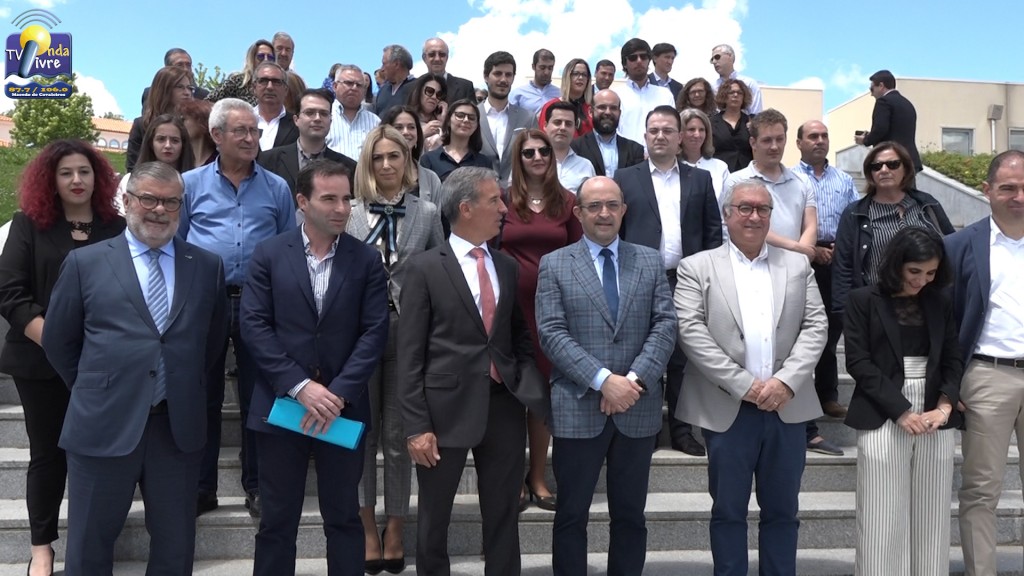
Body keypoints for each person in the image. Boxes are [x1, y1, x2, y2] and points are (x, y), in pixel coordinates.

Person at [42, 161, 227, 576]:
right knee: (89, 548)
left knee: (175, 549)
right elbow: (59, 341)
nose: (160, 210)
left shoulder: (207, 266)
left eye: (171, 202)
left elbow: (211, 344)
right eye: (148, 199)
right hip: (102, 425)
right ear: (126, 202)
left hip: (176, 430)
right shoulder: (85, 263)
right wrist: (97, 387)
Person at [397, 167, 549, 576]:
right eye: (494, 200)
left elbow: (518, 336)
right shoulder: (425, 268)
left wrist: (524, 383)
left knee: (504, 514)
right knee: (434, 518)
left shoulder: (506, 266)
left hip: (503, 407)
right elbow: (409, 356)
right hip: (442, 413)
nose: (503, 209)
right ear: (465, 208)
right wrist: (416, 426)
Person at [242, 160, 390, 576]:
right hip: (281, 406)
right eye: (329, 199)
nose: (341, 208)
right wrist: (300, 386)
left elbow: (374, 332)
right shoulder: (269, 254)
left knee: (344, 518)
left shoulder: (366, 259)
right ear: (302, 202)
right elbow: (254, 325)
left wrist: (337, 393)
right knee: (276, 520)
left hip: (342, 410)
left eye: (346, 199)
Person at [675, 179, 827, 576]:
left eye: (762, 209)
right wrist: (744, 385)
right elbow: (691, 332)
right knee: (728, 511)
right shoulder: (697, 267)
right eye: (744, 208)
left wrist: (786, 382)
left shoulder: (797, 265)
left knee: (783, 511)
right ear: (727, 215)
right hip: (728, 409)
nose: (754, 216)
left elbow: (816, 327)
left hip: (786, 408)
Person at [536, 176, 676, 576]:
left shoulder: (648, 260)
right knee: (571, 514)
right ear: (578, 213)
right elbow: (551, 333)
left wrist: (633, 381)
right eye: (594, 206)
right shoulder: (555, 264)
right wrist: (603, 380)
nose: (604, 213)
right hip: (579, 405)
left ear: (624, 210)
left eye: (612, 205)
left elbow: (665, 325)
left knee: (630, 515)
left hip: (637, 404)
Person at [0, 140, 126, 576]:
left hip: (102, 365)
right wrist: (58, 344)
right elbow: (10, 293)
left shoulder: (117, 228)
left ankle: (93, 541)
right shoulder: (28, 225)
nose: (76, 180)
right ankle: (42, 547)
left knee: (100, 456)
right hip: (39, 363)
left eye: (84, 172)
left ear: (99, 178)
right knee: (48, 454)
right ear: (50, 180)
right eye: (66, 172)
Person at [180, 98, 297, 518]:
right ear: (217, 135)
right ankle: (200, 488)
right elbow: (176, 244)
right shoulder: (189, 185)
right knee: (203, 396)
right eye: (241, 131)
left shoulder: (276, 187)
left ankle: (258, 486)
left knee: (259, 397)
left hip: (259, 302)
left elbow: (288, 248)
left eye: (255, 131)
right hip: (203, 301)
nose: (251, 138)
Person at [345, 126, 444, 573]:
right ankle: (367, 526)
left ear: (408, 161)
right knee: (362, 435)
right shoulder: (349, 212)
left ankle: (397, 525)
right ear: (367, 163)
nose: (386, 165)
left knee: (400, 436)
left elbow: (440, 269)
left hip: (409, 332)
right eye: (378, 157)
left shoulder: (427, 212)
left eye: (395, 156)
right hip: (359, 335)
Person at [843, 227, 962, 576]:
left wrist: (945, 406)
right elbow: (858, 362)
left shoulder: (940, 301)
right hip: (882, 407)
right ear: (896, 264)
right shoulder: (862, 299)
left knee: (933, 513)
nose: (922, 281)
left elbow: (953, 357)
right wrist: (901, 411)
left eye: (931, 273)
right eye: (915, 271)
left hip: (935, 411)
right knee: (880, 513)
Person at [615, 105, 722, 456]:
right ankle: (644, 428)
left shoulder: (700, 179)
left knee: (680, 358)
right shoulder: (625, 178)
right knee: (642, 353)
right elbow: (617, 230)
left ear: (680, 137)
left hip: (685, 280)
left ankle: (681, 431)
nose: (660, 136)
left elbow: (712, 233)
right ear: (645, 136)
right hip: (638, 279)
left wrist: (708, 277)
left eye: (667, 130)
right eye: (654, 130)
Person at [946, 150, 1024, 576]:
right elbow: (943, 320)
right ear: (987, 191)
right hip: (987, 376)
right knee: (981, 489)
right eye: (1008, 188)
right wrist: (949, 384)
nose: (1019, 197)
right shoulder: (958, 246)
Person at [499, 129, 582, 511]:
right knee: (512, 394)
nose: (537, 157)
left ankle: (537, 476)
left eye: (543, 151)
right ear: (518, 158)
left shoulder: (567, 202)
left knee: (542, 394)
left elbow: (580, 253)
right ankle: (513, 476)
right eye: (529, 152)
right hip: (508, 309)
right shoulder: (503, 200)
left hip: (551, 310)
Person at [832, 141, 954, 318]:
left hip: (928, 305)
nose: (884, 170)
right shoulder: (855, 213)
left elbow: (952, 246)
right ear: (870, 173)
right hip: (877, 309)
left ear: (906, 169)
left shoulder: (927, 204)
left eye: (893, 164)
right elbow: (843, 267)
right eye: (876, 166)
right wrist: (843, 314)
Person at [794, 120, 859, 420]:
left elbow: (855, 218)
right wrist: (811, 250)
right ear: (799, 143)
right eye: (812, 136)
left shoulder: (844, 180)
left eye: (824, 136)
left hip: (837, 259)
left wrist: (840, 250)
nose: (819, 141)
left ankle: (828, 396)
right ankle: (799, 393)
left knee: (830, 330)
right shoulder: (790, 178)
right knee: (799, 329)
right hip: (798, 257)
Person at [258, 89, 358, 197]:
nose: (317, 118)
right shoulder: (269, 160)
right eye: (310, 113)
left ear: (330, 121)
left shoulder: (348, 167)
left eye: (324, 114)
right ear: (296, 119)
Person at [478, 51, 537, 185]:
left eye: (508, 75)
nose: (503, 80)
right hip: (479, 191)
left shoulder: (528, 118)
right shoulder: (472, 116)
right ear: (486, 76)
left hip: (518, 191)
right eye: (498, 73)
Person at [117, 114, 196, 213]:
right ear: (151, 143)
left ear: (183, 145)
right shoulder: (128, 181)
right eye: (161, 139)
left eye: (175, 141)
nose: (168, 145)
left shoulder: (195, 184)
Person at [127, 65, 194, 172]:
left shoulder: (193, 125)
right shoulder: (141, 124)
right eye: (180, 87)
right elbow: (132, 167)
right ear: (164, 89)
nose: (187, 93)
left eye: (189, 88)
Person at [855, 70, 923, 173]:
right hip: (910, 160)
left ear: (881, 86)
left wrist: (865, 140)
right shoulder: (907, 104)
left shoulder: (883, 102)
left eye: (872, 88)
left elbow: (880, 129)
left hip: (892, 161)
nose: (871, 94)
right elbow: (897, 131)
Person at [570, 89, 645, 178]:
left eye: (613, 108)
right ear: (590, 111)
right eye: (602, 107)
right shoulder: (576, 147)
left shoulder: (635, 150)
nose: (608, 112)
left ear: (619, 113)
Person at [419, 99, 495, 185]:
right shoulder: (429, 159)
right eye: (460, 115)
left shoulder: (484, 162)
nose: (466, 120)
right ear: (448, 120)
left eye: (471, 118)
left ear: (476, 125)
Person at [615, 38, 675, 146]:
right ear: (625, 64)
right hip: (625, 155)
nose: (639, 61)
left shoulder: (665, 95)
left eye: (643, 57)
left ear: (649, 60)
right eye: (633, 58)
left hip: (659, 154)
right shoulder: (616, 95)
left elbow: (672, 128)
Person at [379, 105, 444, 203]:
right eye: (398, 127)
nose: (406, 132)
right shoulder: (376, 172)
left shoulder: (431, 179)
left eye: (411, 127)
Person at [327, 64, 381, 160]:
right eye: (349, 83)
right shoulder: (323, 117)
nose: (354, 88)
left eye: (359, 85)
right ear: (335, 86)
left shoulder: (375, 122)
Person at [543, 102, 595, 193]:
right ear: (545, 126)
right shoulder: (533, 161)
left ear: (575, 128)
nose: (563, 128)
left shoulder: (585, 166)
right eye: (557, 122)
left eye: (568, 124)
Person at [679, 107, 730, 200]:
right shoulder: (672, 167)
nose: (697, 135)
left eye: (702, 130)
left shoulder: (720, 167)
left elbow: (727, 203)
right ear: (679, 134)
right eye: (691, 129)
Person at [206, 39, 275, 106]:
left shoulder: (276, 86)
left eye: (270, 57)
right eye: (261, 56)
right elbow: (208, 102)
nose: (266, 60)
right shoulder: (237, 81)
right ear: (252, 59)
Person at [538, 58, 594, 138]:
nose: (580, 78)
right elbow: (542, 137)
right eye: (576, 74)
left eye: (584, 75)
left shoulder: (592, 108)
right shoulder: (551, 106)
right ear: (567, 76)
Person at [252, 61, 299, 151]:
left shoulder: (297, 125)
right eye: (263, 81)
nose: (270, 87)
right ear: (254, 88)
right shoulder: (241, 121)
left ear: (285, 90)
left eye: (276, 82)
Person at [140, 48, 209, 107]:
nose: (185, 69)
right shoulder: (151, 94)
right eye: (179, 65)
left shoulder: (203, 95)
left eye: (188, 65)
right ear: (168, 68)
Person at [710, 78, 753, 172]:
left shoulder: (752, 122)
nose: (735, 95)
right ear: (724, 96)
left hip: (746, 173)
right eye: (731, 92)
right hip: (720, 172)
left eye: (739, 93)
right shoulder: (711, 122)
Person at [710, 44, 762, 115]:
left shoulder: (749, 84)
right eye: (712, 59)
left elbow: (756, 114)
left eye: (717, 57)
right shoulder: (711, 87)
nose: (714, 61)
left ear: (730, 56)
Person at [421, 37, 476, 104]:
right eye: (432, 54)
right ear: (424, 58)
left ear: (447, 58)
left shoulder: (465, 87)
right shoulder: (411, 88)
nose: (437, 59)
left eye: (442, 54)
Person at [508, 48, 559, 115]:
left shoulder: (560, 94)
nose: (546, 72)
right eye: (542, 68)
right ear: (533, 67)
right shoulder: (517, 94)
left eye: (550, 68)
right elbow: (510, 118)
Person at [405, 73, 448, 147]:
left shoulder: (443, 122)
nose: (434, 97)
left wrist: (444, 123)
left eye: (439, 94)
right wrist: (422, 134)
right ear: (419, 92)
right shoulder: (404, 118)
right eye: (430, 91)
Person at [375, 45, 417, 116]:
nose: (381, 69)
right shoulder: (382, 90)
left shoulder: (418, 87)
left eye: (384, 64)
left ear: (397, 64)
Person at [179, 99, 217, 168]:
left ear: (202, 122)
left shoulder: (219, 162)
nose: (179, 124)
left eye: (183, 119)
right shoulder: (178, 159)